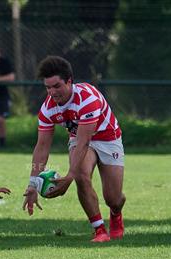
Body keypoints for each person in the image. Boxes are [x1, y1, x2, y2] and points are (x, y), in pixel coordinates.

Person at [22, 56, 126, 243]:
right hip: (78, 138)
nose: (52, 92)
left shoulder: (87, 99)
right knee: (81, 176)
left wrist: (68, 176)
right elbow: (42, 146)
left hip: (108, 138)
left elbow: (85, 140)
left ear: (69, 81)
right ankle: (100, 230)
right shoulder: (47, 109)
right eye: (48, 87)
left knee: (114, 198)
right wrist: (33, 184)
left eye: (56, 86)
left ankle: (115, 213)